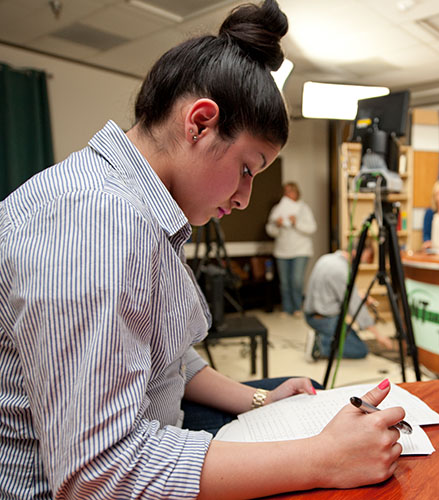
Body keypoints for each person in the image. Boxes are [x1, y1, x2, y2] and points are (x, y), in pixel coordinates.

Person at [0, 2, 405, 499]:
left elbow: (161, 356)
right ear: (200, 123)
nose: (243, 198)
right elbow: (96, 473)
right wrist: (321, 459)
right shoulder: (94, 220)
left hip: (160, 425)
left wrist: (258, 399)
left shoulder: (134, 204)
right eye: (247, 169)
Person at [303, 243, 393, 361]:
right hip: (324, 319)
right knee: (360, 350)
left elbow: (332, 291)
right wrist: (379, 336)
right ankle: (320, 344)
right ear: (356, 252)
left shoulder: (326, 258)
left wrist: (360, 296)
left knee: (352, 336)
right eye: (364, 259)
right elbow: (354, 307)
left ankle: (324, 337)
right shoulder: (342, 271)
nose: (363, 263)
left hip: (311, 313)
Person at [265, 181, 317, 318]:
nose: (288, 194)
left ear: (297, 193)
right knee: (285, 282)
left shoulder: (304, 208)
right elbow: (270, 230)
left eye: (291, 191)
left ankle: (297, 307)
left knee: (296, 280)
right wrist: (277, 225)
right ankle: (287, 308)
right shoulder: (277, 209)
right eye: (286, 191)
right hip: (282, 251)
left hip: (301, 250)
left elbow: (312, 228)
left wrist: (296, 223)